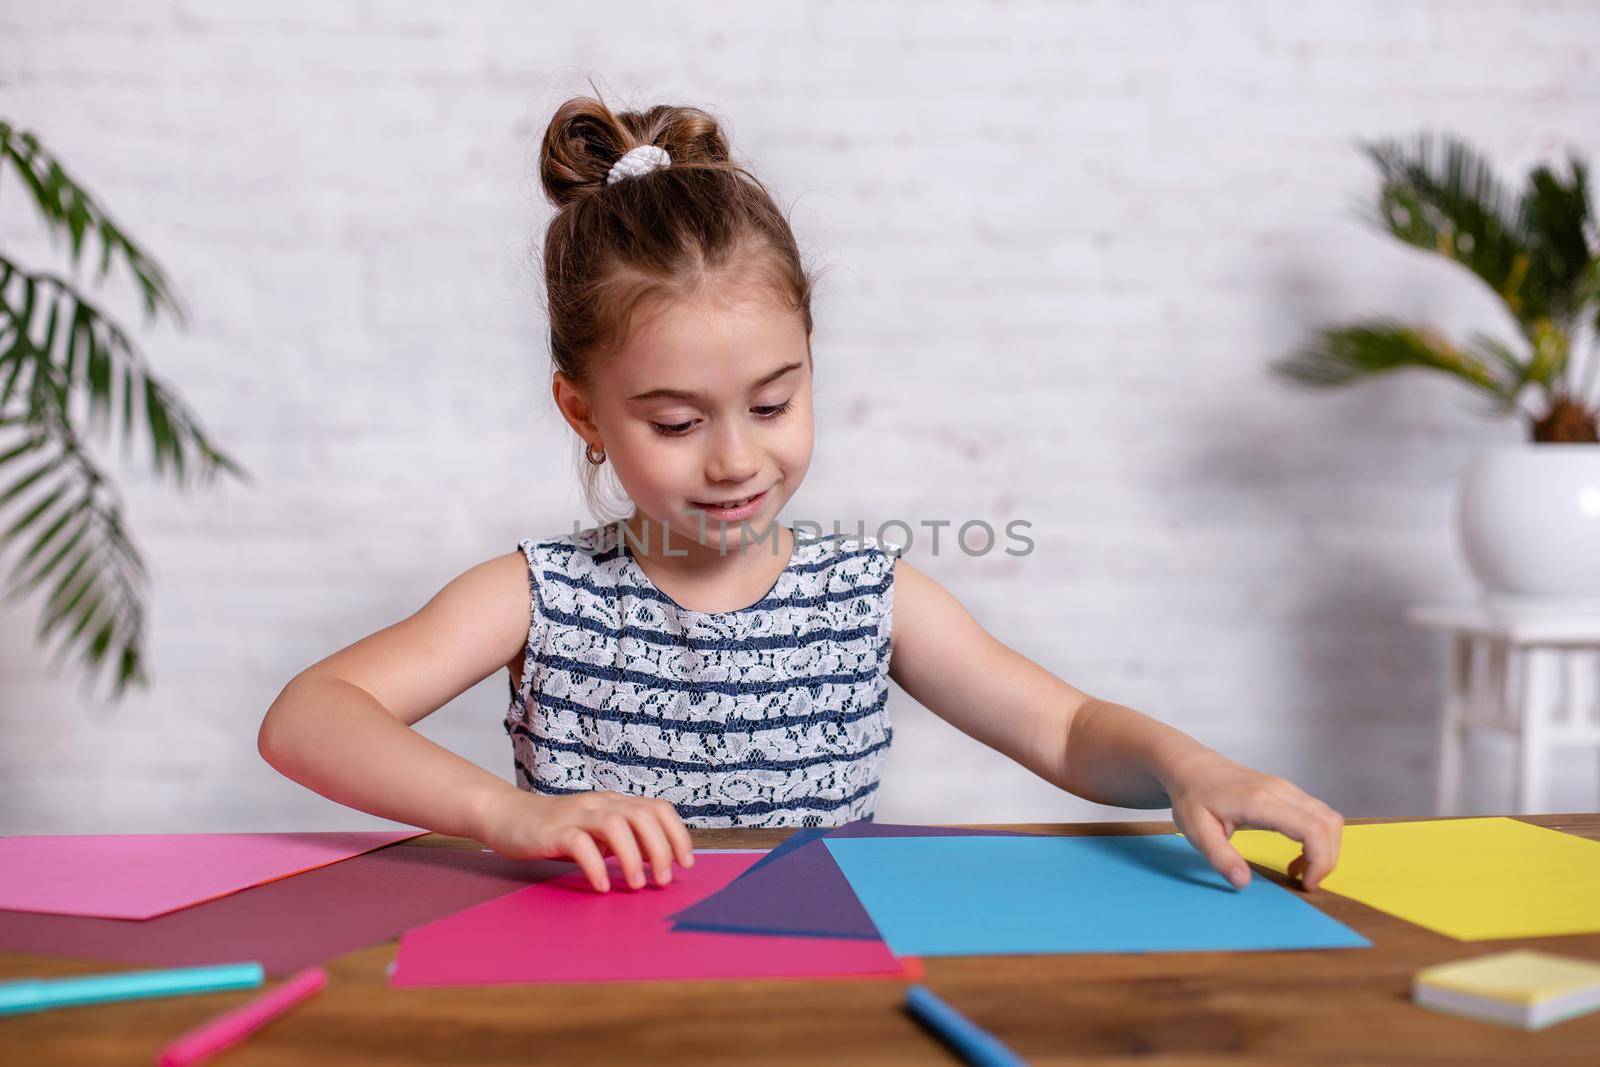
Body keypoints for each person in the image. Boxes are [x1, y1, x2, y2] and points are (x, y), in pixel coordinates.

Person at [258, 87, 1343, 896]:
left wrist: (1186, 764)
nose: (735, 459)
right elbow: (309, 716)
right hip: (588, 987)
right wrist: (501, 812)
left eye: (773, 404)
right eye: (677, 423)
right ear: (583, 412)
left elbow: (1062, 729)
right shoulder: (539, 595)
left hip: (812, 984)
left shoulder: (872, 595)